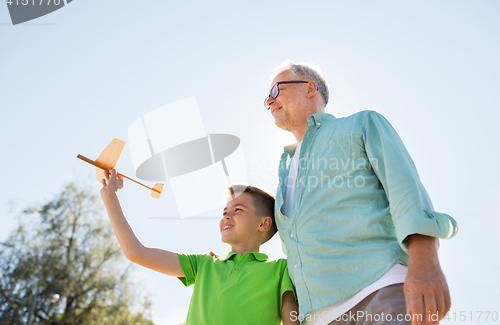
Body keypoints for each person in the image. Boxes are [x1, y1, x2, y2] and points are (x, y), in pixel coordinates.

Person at [264, 61, 458, 325]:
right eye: (267, 97)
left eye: (276, 90)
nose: (269, 101)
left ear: (310, 88)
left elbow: (404, 188)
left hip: (379, 294)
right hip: (317, 317)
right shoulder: (284, 171)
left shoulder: (361, 124)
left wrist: (425, 261)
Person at [100, 169, 299, 325]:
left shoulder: (280, 269)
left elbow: (292, 321)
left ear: (263, 224)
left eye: (238, 210)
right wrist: (110, 197)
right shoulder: (203, 265)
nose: (227, 216)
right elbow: (137, 253)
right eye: (224, 212)